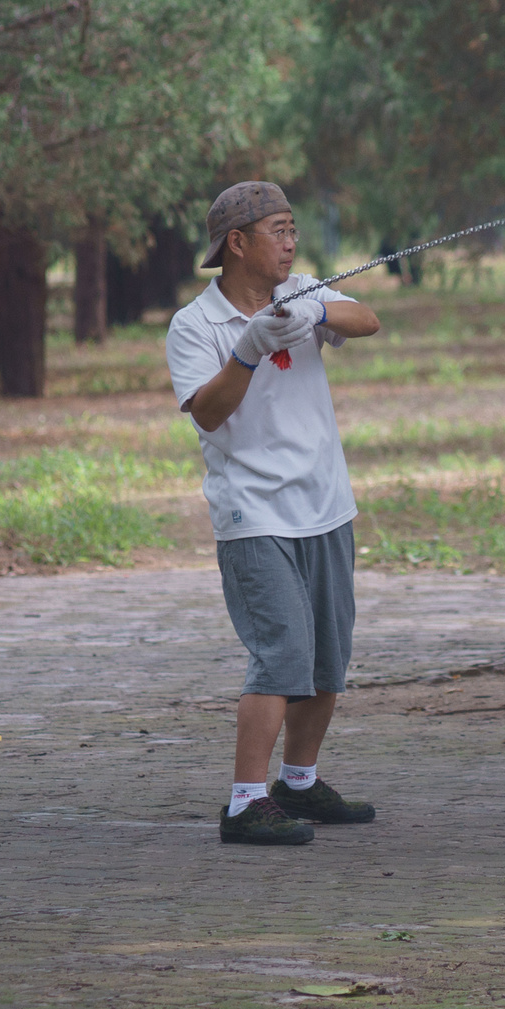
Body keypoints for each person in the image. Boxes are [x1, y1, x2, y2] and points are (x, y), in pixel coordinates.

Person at [164, 181, 385, 846]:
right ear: (237, 242)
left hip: (324, 503)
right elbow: (206, 409)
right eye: (278, 229)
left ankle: (299, 781)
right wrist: (249, 348)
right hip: (253, 511)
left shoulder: (305, 288)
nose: (291, 242)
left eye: (294, 229)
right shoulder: (194, 325)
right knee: (283, 651)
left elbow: (367, 318)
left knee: (326, 657)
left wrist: (314, 314)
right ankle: (244, 802)